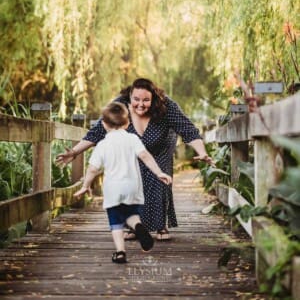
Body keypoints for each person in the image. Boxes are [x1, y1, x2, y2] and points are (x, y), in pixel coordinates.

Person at [56, 77, 213, 240]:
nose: (141, 104)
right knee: (133, 180)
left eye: (146, 100)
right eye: (136, 99)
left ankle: (161, 226)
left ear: (153, 99)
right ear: (129, 97)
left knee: (160, 177)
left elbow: (188, 130)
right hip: (131, 149)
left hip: (161, 145)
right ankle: (133, 226)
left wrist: (201, 152)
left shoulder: (167, 106)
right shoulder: (120, 106)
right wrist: (74, 152)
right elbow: (97, 132)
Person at [73, 101, 172, 264]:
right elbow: (145, 156)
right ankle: (139, 226)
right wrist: (159, 172)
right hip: (132, 187)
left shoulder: (103, 144)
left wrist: (85, 186)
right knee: (131, 214)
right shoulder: (132, 139)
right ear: (127, 123)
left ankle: (120, 252)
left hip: (113, 188)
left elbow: (92, 168)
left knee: (116, 221)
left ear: (104, 124)